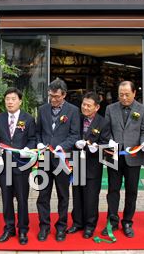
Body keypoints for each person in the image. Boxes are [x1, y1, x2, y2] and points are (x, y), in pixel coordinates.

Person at [103, 81, 144, 238]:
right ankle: (112, 221)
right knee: (112, 190)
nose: (123, 97)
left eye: (127, 94)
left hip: (133, 155)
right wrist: (109, 140)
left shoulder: (143, 110)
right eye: (121, 94)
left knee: (132, 191)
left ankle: (128, 221)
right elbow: (106, 129)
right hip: (113, 154)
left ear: (134, 93)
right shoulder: (110, 108)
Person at [35, 78, 80, 242]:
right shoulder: (42, 109)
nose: (53, 100)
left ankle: (61, 227)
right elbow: (38, 131)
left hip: (62, 159)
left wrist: (62, 146)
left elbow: (75, 135)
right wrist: (39, 143)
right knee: (43, 195)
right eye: (51, 96)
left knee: (63, 195)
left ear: (64, 95)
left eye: (57, 97)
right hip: (45, 159)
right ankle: (44, 226)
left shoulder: (73, 111)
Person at [0, 87, 36, 245]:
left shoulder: (29, 118)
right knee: (6, 198)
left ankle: (23, 230)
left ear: (20, 101)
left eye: (13, 99)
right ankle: (9, 227)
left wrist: (28, 149)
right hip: (4, 165)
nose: (10, 102)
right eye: (7, 99)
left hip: (21, 165)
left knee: (22, 199)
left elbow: (32, 138)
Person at [68, 91, 108, 239]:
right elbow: (70, 135)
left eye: (88, 105)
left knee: (91, 197)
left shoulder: (103, 122)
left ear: (96, 107)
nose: (85, 107)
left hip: (92, 165)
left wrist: (96, 147)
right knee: (77, 195)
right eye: (83, 104)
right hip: (77, 163)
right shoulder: (76, 118)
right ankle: (77, 223)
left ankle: (90, 225)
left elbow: (106, 143)